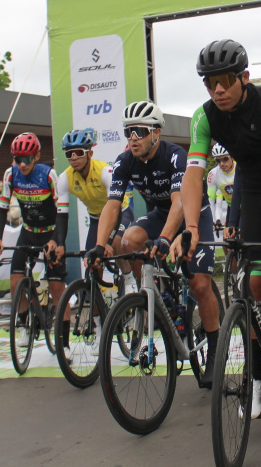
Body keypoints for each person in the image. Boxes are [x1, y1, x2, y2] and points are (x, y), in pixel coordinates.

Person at [174, 39, 261, 418]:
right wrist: (190, 226)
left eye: (224, 79)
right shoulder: (204, 117)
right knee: (255, 288)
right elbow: (193, 174)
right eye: (209, 82)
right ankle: (257, 377)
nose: (217, 89)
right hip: (253, 188)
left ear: (244, 77)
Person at [88, 101, 220, 387]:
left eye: (139, 131)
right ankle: (155, 295)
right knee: (130, 240)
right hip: (161, 214)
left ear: (156, 133)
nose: (132, 138)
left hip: (193, 213)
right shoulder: (124, 161)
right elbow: (112, 206)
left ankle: (215, 347)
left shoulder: (175, 156)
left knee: (199, 284)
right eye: (127, 132)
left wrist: (164, 238)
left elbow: (180, 202)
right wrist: (100, 245)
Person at [0, 133, 65, 348]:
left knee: (55, 286)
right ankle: (24, 326)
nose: (22, 164)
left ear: (37, 156)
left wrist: (55, 240)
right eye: (17, 159)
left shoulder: (49, 175)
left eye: (27, 159)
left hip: (50, 232)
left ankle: (62, 336)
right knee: (15, 283)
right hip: (28, 231)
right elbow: (2, 208)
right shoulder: (10, 175)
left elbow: (61, 211)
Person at [55, 129, 133, 290]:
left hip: (120, 213)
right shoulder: (64, 178)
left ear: (89, 153)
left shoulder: (104, 172)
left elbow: (115, 208)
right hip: (96, 219)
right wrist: (60, 243)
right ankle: (98, 313)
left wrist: (108, 242)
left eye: (78, 152)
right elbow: (61, 215)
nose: (74, 158)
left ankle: (129, 277)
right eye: (69, 154)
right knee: (92, 266)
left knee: (116, 243)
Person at [206, 143, 236, 236]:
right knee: (226, 239)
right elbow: (211, 201)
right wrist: (215, 220)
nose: (222, 163)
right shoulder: (213, 174)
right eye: (218, 160)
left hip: (247, 207)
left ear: (232, 157)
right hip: (232, 207)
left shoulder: (240, 169)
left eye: (225, 159)